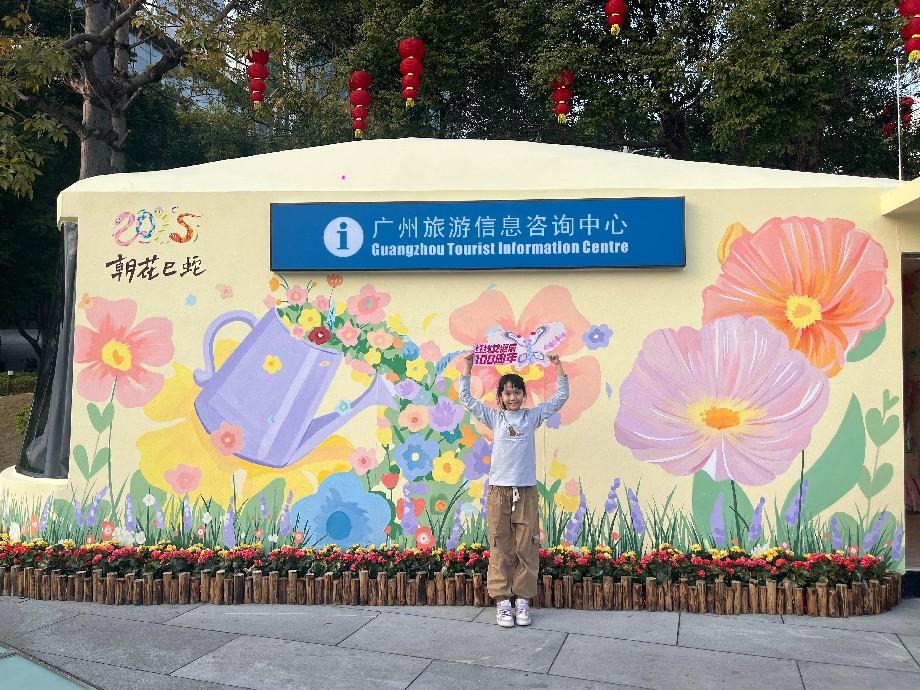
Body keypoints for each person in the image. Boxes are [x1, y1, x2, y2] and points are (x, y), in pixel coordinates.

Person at [458, 351, 569, 627]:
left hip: (526, 490)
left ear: (524, 395)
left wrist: (558, 366)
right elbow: (466, 399)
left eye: (517, 392)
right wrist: (469, 366)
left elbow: (560, 398)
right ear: (500, 397)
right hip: (500, 490)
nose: (513, 398)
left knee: (526, 544)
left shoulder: (532, 417)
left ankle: (522, 600)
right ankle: (502, 601)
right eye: (507, 393)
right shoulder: (495, 418)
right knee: (500, 543)